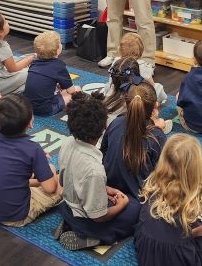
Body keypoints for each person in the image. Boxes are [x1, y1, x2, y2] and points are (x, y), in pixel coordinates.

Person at [135, 134, 202, 265]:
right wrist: (193, 233)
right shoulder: (198, 193)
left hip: (147, 249)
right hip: (179, 258)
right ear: (197, 168)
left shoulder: (153, 181)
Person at [55, 92, 140, 251]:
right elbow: (100, 217)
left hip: (68, 204)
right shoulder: (94, 169)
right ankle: (92, 237)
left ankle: (71, 221)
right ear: (103, 128)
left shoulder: (67, 143)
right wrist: (122, 204)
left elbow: (70, 179)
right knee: (135, 209)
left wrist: (104, 189)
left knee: (121, 200)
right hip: (89, 217)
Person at [0, 94, 61, 226]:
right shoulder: (33, 149)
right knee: (59, 180)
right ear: (30, 122)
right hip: (15, 216)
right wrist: (47, 170)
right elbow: (50, 188)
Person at [101, 82, 168, 200]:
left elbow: (103, 152)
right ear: (154, 107)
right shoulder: (157, 137)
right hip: (140, 197)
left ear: (127, 104)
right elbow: (163, 174)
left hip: (110, 189)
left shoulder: (115, 123)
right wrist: (157, 128)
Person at [24, 30, 81, 116]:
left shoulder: (34, 62)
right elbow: (71, 90)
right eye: (60, 43)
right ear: (57, 50)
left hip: (28, 105)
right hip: (46, 108)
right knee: (77, 89)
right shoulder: (59, 66)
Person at [105, 32, 167, 104]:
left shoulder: (116, 61)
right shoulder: (143, 66)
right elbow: (152, 86)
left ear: (119, 49)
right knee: (158, 87)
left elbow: (111, 80)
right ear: (141, 51)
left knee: (108, 86)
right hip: (135, 97)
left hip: (116, 95)